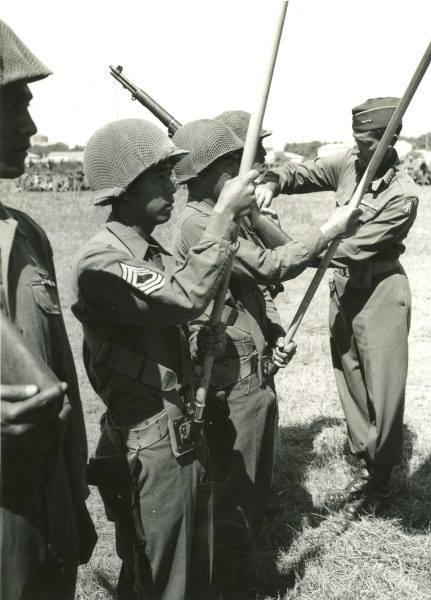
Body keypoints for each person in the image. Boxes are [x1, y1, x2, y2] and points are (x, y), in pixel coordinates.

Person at [71, 117, 258, 600]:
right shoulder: (103, 262)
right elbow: (184, 297)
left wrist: (199, 346)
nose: (173, 183)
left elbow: (164, 324)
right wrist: (221, 219)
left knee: (190, 569)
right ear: (126, 189)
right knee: (163, 579)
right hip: (150, 442)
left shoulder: (148, 254)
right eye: (159, 174)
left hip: (177, 434)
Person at [171, 118, 361, 592]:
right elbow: (270, 266)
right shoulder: (201, 221)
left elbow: (253, 292)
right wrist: (328, 230)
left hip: (249, 366)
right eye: (237, 165)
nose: (249, 173)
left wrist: (273, 331)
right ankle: (236, 584)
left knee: (250, 483)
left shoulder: (217, 214)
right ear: (215, 171)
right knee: (237, 492)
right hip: (231, 377)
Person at [256, 97, 419, 518]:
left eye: (367, 141)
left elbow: (342, 251)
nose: (360, 148)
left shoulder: (403, 197)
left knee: (383, 391)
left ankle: (381, 482)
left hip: (380, 292)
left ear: (391, 138)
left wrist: (275, 237)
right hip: (344, 292)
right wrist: (271, 181)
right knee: (350, 380)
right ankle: (367, 466)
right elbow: (300, 173)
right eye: (356, 139)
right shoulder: (348, 162)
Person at [0, 19, 95, 599]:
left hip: (42, 512)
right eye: (11, 105)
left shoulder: (27, 234)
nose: (31, 126)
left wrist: (73, 500)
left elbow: (61, 383)